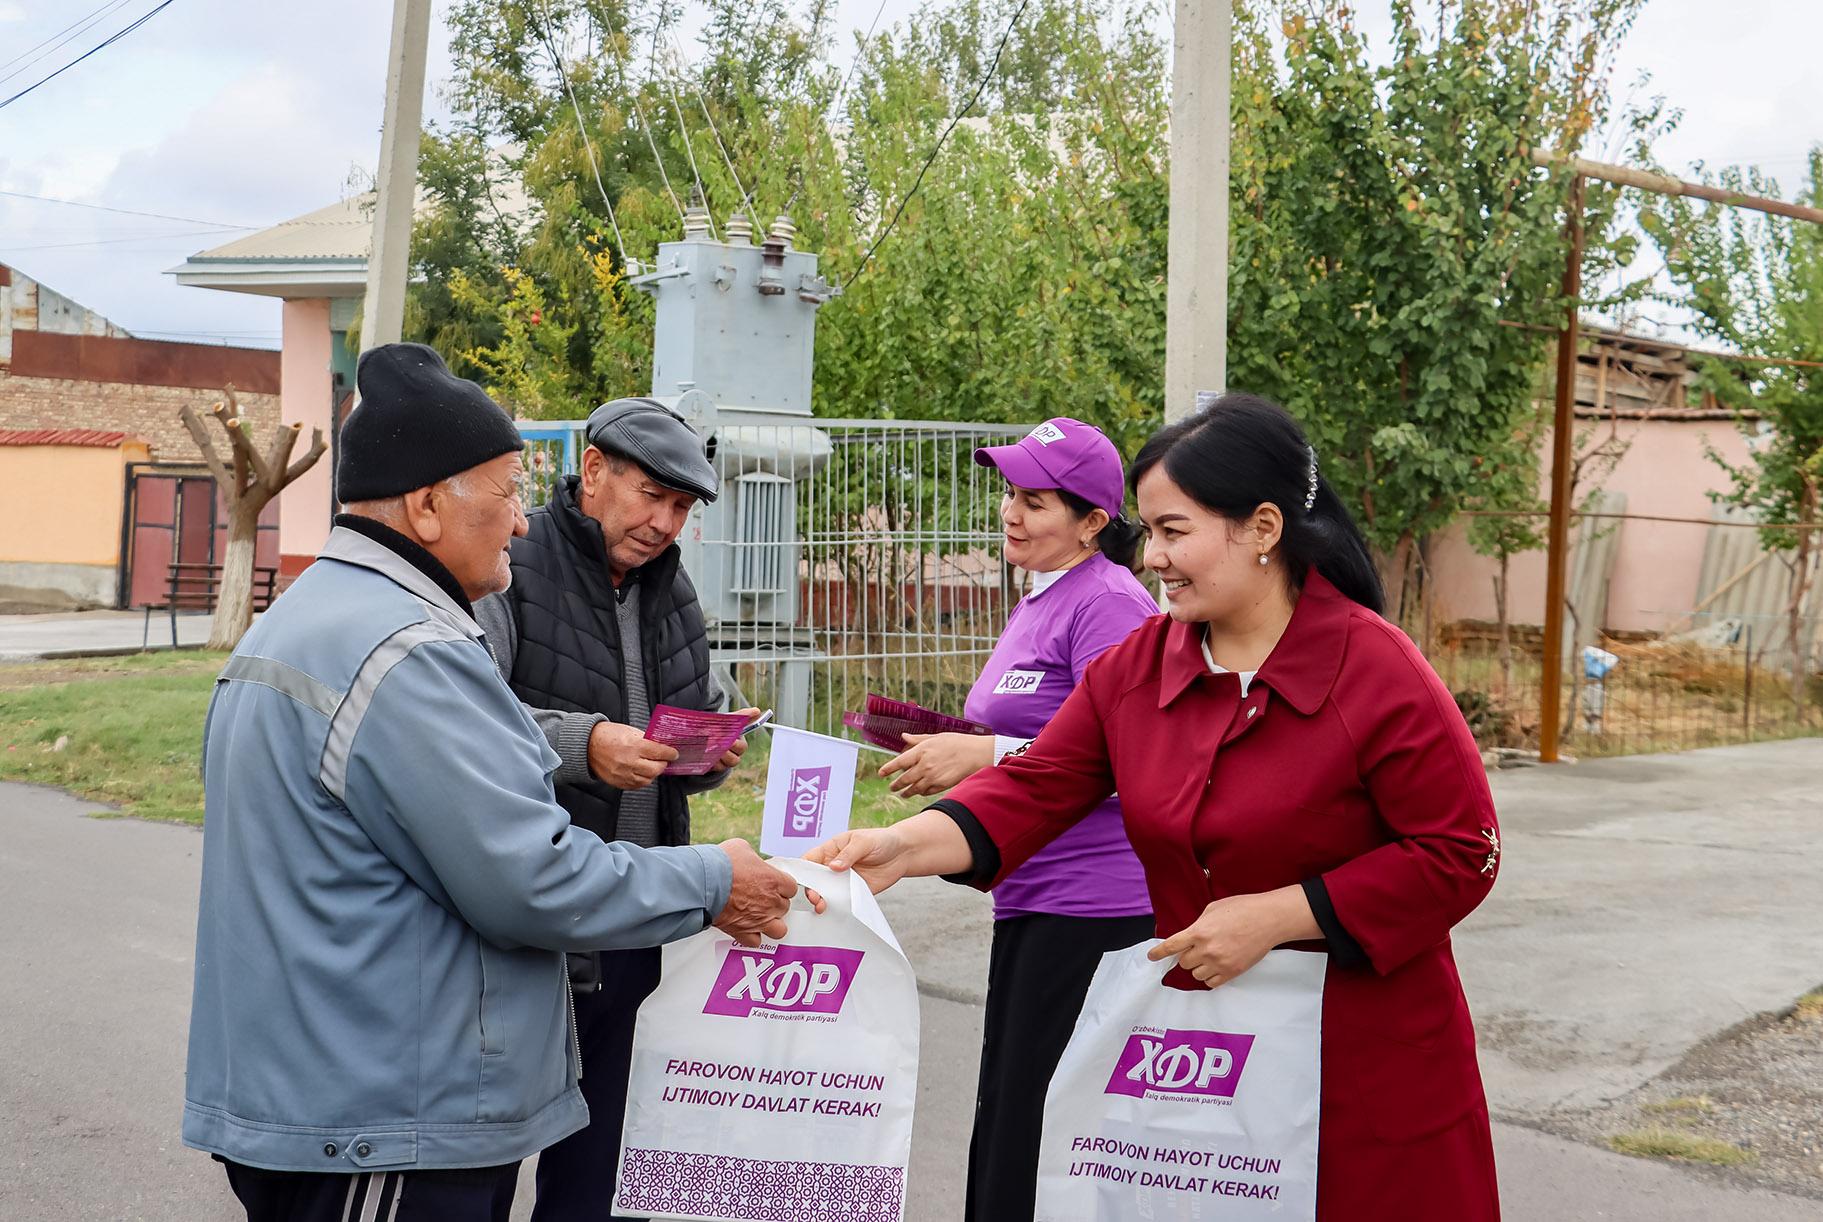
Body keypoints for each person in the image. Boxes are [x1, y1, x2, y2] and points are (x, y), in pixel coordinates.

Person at [811, 393, 1504, 1220]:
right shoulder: (1139, 668)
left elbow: (1460, 850)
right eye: (1147, 533)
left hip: (1357, 1061)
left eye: (1174, 532)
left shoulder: (1375, 671)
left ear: (1262, 529)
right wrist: (904, 846)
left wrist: (1278, 916)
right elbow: (1040, 782)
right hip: (1202, 1060)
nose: (1151, 560)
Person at [183, 344, 808, 1222]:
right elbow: (529, 877)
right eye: (509, 490)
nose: (520, 520)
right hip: (385, 1108)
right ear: (430, 505)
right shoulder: (411, 652)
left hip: (330, 1082)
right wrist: (713, 880)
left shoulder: (314, 616)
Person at [472, 397, 751, 1222]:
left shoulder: (672, 591)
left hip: (634, 918)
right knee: (483, 1159)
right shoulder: (509, 567)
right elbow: (460, 722)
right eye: (649, 496)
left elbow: (673, 731)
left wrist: (703, 758)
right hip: (526, 922)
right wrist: (580, 743)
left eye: (680, 508)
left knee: (597, 1165)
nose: (664, 523)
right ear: (592, 472)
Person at [874, 416, 1155, 1220]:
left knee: (1039, 1127)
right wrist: (966, 747)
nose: (1010, 512)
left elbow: (1135, 760)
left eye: (1035, 501)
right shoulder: (1045, 595)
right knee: (1010, 1114)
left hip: (1094, 908)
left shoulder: (1109, 604)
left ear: (1093, 523)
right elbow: (1043, 732)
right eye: (1008, 493)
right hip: (1031, 892)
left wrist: (986, 753)